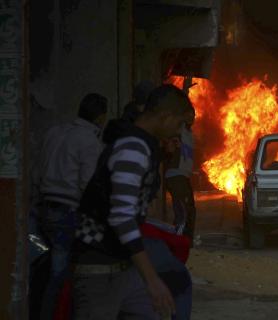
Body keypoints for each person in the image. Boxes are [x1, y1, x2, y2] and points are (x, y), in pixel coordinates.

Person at [72, 84, 193, 319]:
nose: (179, 132)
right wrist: (152, 280)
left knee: (161, 307)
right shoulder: (133, 148)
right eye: (179, 124)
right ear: (165, 117)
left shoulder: (143, 145)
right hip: (99, 269)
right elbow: (121, 217)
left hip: (122, 267)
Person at [33, 93, 108, 320]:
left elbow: (36, 170)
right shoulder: (89, 141)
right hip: (67, 212)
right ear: (101, 117)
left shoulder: (54, 132)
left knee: (46, 270)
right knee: (62, 274)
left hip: (43, 209)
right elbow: (88, 184)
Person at [165, 108, 197, 241]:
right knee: (183, 211)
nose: (191, 118)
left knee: (190, 210)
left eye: (193, 115)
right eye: (188, 115)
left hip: (184, 176)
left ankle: (186, 241)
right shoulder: (179, 129)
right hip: (175, 175)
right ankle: (178, 241)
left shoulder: (189, 134)